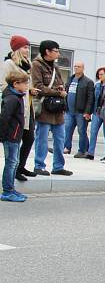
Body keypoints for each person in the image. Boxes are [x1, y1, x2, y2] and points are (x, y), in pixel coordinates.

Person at [31, 40, 72, 176]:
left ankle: (58, 166)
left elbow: (61, 83)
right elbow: (38, 86)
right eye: (56, 50)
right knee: (42, 138)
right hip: (44, 108)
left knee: (60, 138)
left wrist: (60, 88)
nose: (58, 53)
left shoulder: (55, 67)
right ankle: (39, 165)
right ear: (47, 51)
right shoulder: (36, 65)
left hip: (57, 108)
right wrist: (57, 92)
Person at [2, 37, 37, 182]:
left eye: (28, 48)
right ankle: (14, 170)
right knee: (16, 140)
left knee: (29, 138)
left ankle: (20, 166)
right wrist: (18, 93)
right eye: (24, 47)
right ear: (16, 49)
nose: (27, 51)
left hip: (27, 106)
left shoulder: (27, 64)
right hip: (15, 105)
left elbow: (26, 84)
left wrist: (30, 90)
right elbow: (3, 85)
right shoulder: (9, 64)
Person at [1, 70, 30, 202]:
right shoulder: (12, 98)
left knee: (14, 162)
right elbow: (4, 117)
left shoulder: (16, 96)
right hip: (11, 136)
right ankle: (7, 191)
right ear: (16, 84)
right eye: (25, 83)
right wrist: (2, 135)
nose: (26, 86)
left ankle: (11, 189)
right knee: (11, 163)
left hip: (15, 135)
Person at [62, 62, 94, 157]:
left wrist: (87, 112)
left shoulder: (88, 82)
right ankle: (66, 148)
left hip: (81, 112)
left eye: (78, 66)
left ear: (83, 68)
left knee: (81, 131)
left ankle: (83, 150)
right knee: (67, 129)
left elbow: (90, 98)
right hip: (69, 111)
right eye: (75, 66)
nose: (76, 68)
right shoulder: (70, 79)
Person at [87, 67, 105, 161]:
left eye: (102, 74)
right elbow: (93, 99)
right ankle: (90, 153)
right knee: (93, 132)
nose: (100, 76)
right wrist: (89, 112)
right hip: (96, 112)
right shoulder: (97, 85)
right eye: (99, 74)